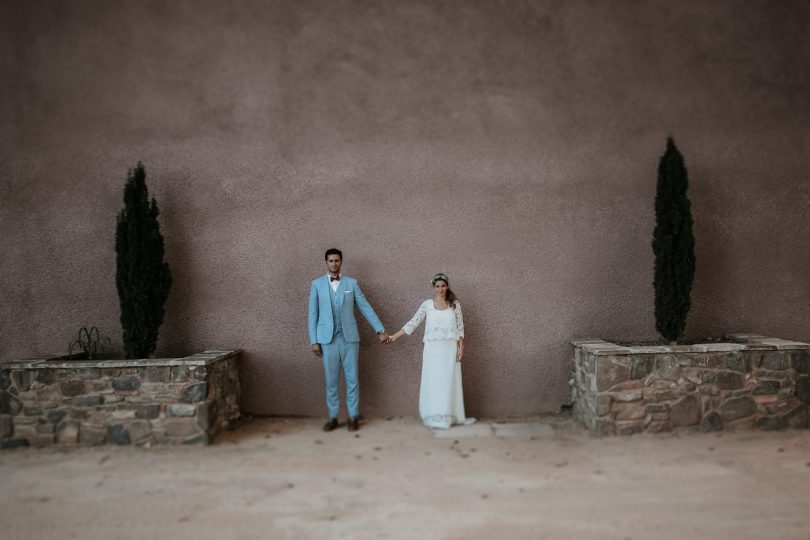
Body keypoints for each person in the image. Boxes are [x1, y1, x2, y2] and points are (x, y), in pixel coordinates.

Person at [308, 248, 389, 432]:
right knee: (331, 380)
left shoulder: (351, 284)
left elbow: (365, 307)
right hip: (327, 340)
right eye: (330, 261)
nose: (334, 264)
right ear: (326, 263)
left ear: (341, 262)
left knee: (352, 379)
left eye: (337, 260)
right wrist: (314, 340)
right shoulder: (317, 285)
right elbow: (312, 315)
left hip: (350, 339)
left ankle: (353, 417)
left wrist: (380, 330)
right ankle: (333, 417)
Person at [387, 273, 474, 429]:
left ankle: (448, 416)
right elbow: (413, 323)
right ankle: (434, 416)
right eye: (437, 286)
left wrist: (461, 348)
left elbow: (460, 327)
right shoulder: (427, 305)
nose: (440, 289)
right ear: (434, 287)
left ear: (447, 286)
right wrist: (394, 336)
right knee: (433, 381)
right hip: (432, 349)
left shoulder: (455, 305)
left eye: (443, 286)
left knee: (448, 382)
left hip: (449, 349)